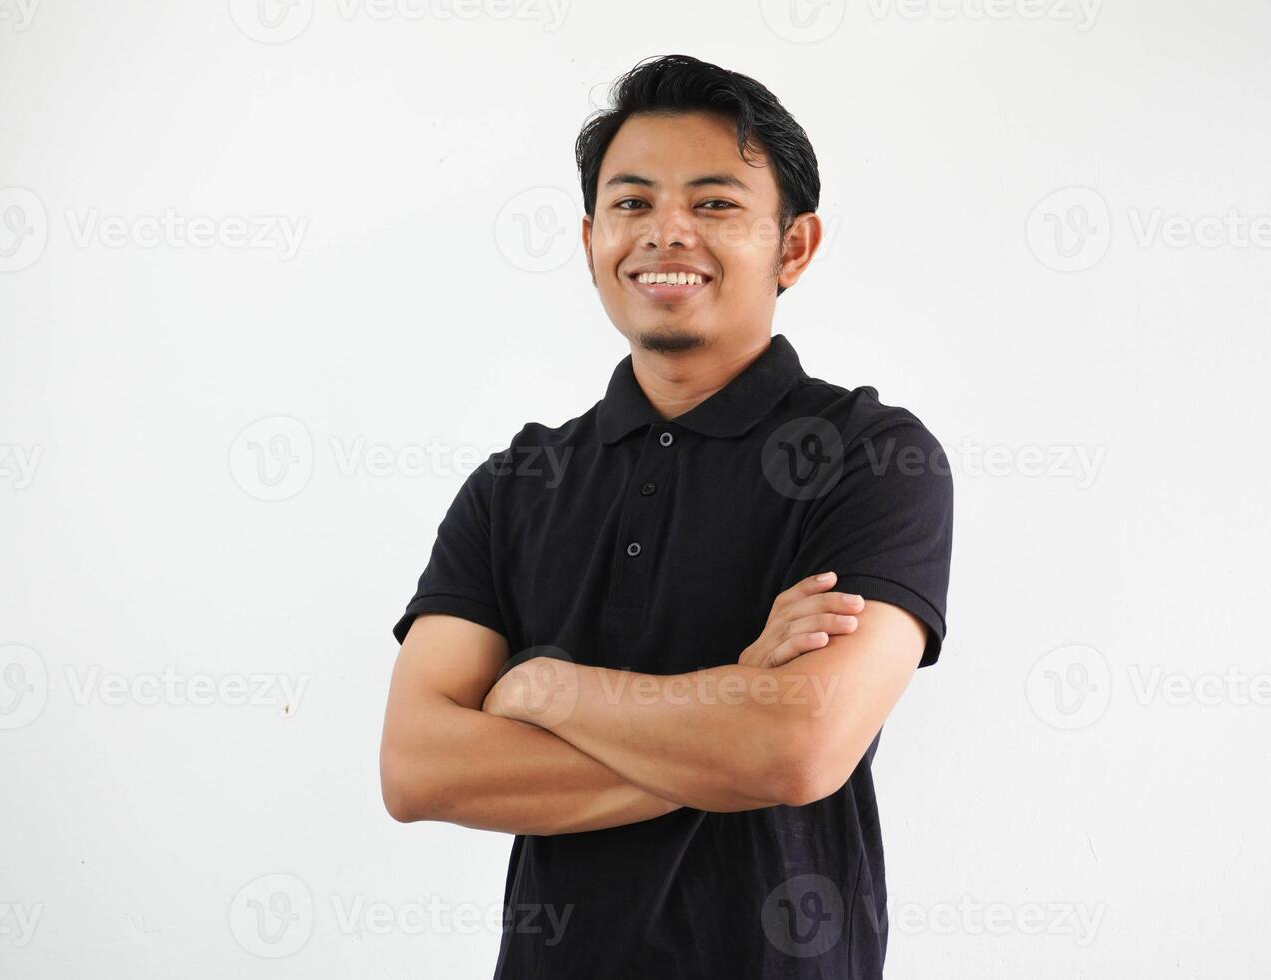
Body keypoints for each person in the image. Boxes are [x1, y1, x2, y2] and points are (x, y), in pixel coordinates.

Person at [381, 53, 955, 979]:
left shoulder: (873, 454)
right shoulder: (517, 481)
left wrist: (548, 693)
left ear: (794, 247)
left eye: (716, 204)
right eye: (633, 202)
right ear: (590, 237)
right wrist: (734, 701)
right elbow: (417, 768)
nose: (666, 232)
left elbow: (801, 747)